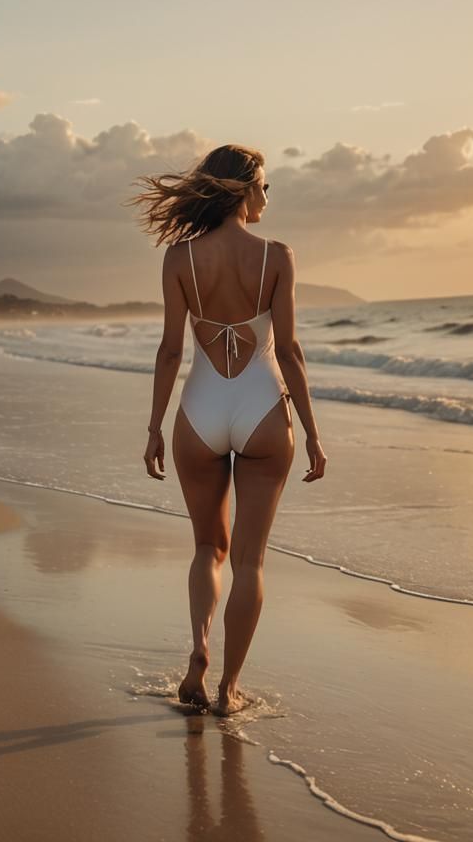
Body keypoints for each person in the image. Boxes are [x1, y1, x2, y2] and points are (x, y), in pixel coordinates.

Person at [126, 144, 327, 716]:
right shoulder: (277, 256)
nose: (266, 195)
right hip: (263, 410)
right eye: (263, 185)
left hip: (199, 411)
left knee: (207, 548)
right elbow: (287, 351)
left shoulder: (179, 259)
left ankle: (198, 650)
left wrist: (154, 428)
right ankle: (228, 689)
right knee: (250, 562)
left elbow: (170, 352)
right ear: (241, 189)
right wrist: (312, 433)